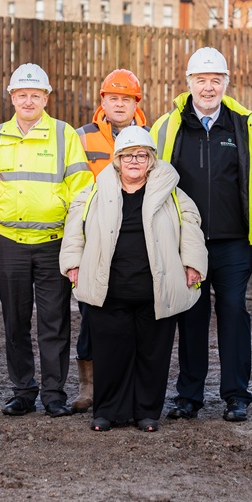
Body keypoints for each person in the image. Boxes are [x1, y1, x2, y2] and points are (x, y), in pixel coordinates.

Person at [151, 47, 252, 423]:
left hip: (234, 242)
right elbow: (151, 182)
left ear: (225, 83)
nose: (208, 87)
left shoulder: (241, 125)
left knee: (234, 313)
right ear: (189, 83)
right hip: (185, 243)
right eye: (201, 80)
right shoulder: (167, 126)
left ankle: (236, 395)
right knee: (191, 317)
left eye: (215, 80)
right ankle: (189, 397)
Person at [60, 126, 207, 432]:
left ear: (151, 160)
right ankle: (107, 411)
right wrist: (73, 263)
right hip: (109, 289)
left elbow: (191, 227)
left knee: (153, 354)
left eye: (142, 155)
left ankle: (146, 412)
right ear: (117, 160)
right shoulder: (94, 193)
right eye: (128, 155)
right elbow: (75, 228)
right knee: (110, 353)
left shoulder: (173, 194)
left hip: (155, 289)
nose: (134, 161)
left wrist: (193, 264)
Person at [0, 63, 93, 418]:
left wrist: (76, 246)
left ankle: (54, 394)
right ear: (12, 97)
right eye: (22, 94)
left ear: (46, 97)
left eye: (35, 95)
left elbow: (81, 194)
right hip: (8, 242)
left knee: (54, 322)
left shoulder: (64, 135)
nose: (28, 100)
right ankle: (22, 390)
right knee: (15, 321)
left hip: (53, 242)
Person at [70, 68, 149, 413]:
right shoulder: (82, 137)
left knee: (134, 317)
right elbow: (74, 188)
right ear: (102, 101)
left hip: (136, 240)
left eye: (126, 99)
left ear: (136, 103)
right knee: (91, 313)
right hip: (96, 240)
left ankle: (128, 383)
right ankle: (89, 385)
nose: (119, 104)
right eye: (113, 98)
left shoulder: (149, 136)